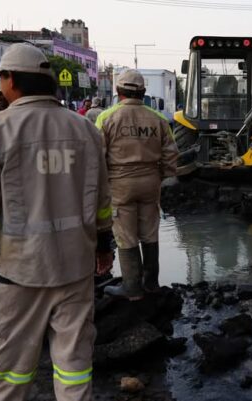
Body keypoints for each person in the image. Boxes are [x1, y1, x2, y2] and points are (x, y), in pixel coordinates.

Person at [0, 43, 114, 401]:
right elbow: (103, 202)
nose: (0, 87)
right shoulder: (86, 131)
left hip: (19, 273)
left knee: (10, 371)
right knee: (74, 367)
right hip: (75, 269)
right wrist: (104, 246)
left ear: (12, 80)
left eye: (1, 79)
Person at [96, 69, 178, 300]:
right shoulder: (158, 119)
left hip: (120, 182)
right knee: (150, 232)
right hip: (150, 180)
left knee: (125, 234)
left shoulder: (107, 118)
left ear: (118, 91)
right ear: (143, 92)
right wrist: (161, 176)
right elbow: (171, 154)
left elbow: (96, 157)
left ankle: (132, 288)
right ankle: (151, 283)